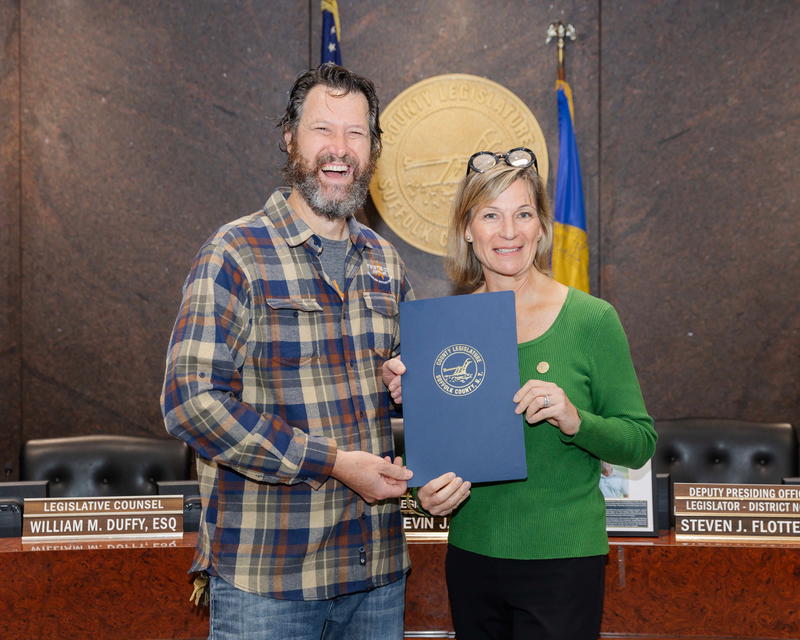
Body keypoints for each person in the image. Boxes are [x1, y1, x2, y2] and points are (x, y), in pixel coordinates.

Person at [161, 63, 415, 640]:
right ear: (290, 138)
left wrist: (412, 386)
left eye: (356, 133)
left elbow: (411, 392)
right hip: (268, 582)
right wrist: (332, 463)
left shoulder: (385, 262)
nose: (340, 149)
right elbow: (190, 404)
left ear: (373, 149)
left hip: (374, 574)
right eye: (323, 130)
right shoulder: (235, 253)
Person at [382, 147, 656, 640]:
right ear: (467, 229)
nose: (509, 232)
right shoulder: (443, 328)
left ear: (541, 226)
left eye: (523, 214)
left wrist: (577, 420)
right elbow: (433, 464)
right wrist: (426, 494)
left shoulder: (592, 320)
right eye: (491, 215)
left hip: (564, 561)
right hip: (472, 558)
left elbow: (638, 441)